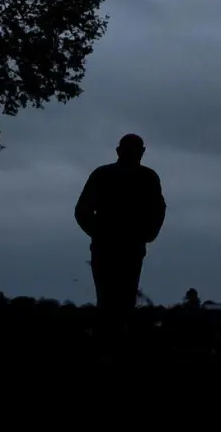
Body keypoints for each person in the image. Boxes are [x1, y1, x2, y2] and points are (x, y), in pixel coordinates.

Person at [75, 134, 166, 340]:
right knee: (115, 300)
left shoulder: (145, 177)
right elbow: (82, 211)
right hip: (116, 246)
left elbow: (158, 209)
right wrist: (101, 234)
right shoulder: (110, 175)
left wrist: (146, 234)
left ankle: (113, 343)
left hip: (123, 247)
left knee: (118, 299)